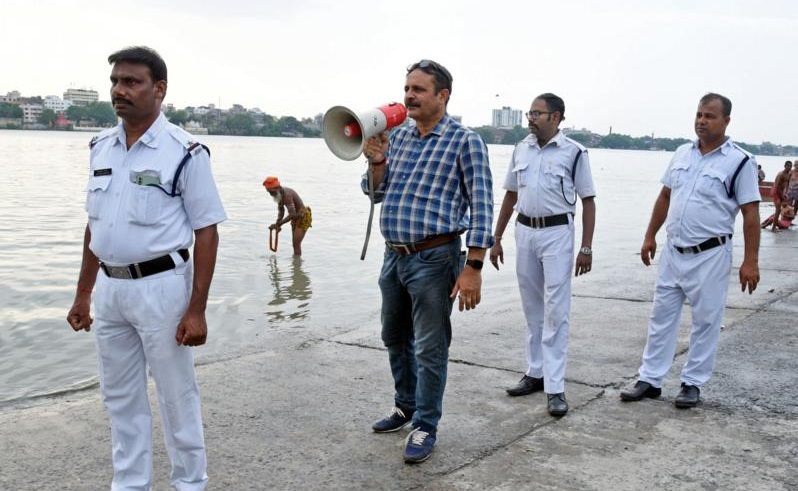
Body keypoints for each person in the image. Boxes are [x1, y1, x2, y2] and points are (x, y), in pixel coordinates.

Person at [66, 46, 226, 490]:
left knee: (176, 396)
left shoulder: (185, 152)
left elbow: (207, 232)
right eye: (116, 81)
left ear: (159, 90)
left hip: (162, 289)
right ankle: (130, 484)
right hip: (111, 290)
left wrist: (197, 309)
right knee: (120, 398)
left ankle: (190, 484)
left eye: (132, 81)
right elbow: (95, 225)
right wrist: (83, 293)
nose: (120, 90)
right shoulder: (101, 146)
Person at [361, 59, 494, 463]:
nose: (409, 96)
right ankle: (406, 406)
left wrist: (473, 268)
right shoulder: (397, 136)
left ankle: (426, 425)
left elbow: (483, 206)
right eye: (407, 88)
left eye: (418, 89)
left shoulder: (464, 141)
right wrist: (377, 160)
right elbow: (373, 193)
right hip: (394, 256)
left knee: (430, 347)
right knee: (393, 336)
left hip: (435, 259)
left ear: (443, 95)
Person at [620, 93, 760, 408]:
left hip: (711, 253)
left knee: (706, 320)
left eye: (709, 116)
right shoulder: (682, 154)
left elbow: (751, 213)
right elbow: (665, 197)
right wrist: (649, 236)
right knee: (661, 316)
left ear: (726, 121)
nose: (701, 121)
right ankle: (650, 379)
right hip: (674, 251)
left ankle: (692, 383)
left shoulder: (740, 162)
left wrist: (750, 261)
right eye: (698, 114)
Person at [489, 93, 596, 417]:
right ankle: (535, 372)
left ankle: (555, 386)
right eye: (529, 113)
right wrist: (496, 238)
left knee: (556, 311)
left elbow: (588, 200)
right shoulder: (521, 149)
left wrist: (586, 248)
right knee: (532, 308)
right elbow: (510, 194)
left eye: (537, 113)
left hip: (557, 234)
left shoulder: (575, 153)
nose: (531, 118)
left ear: (556, 117)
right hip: (525, 232)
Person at [263, 176, 312, 256]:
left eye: (272, 193)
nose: (271, 195)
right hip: (296, 217)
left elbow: (292, 214)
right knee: (294, 244)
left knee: (296, 244)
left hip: (303, 217)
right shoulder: (279, 194)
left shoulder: (287, 195)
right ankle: (296, 266)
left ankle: (297, 265)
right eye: (269, 193)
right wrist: (277, 223)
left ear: (277, 188)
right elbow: (281, 210)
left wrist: (280, 224)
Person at [769, 161, 792, 231]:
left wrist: (786, 193)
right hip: (776, 191)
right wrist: (782, 196)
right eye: (788, 166)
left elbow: (787, 183)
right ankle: (773, 228)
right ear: (784, 166)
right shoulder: (781, 174)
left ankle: (771, 223)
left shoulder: (789, 174)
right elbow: (777, 186)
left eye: (790, 166)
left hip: (781, 192)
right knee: (778, 210)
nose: (789, 167)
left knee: (779, 210)